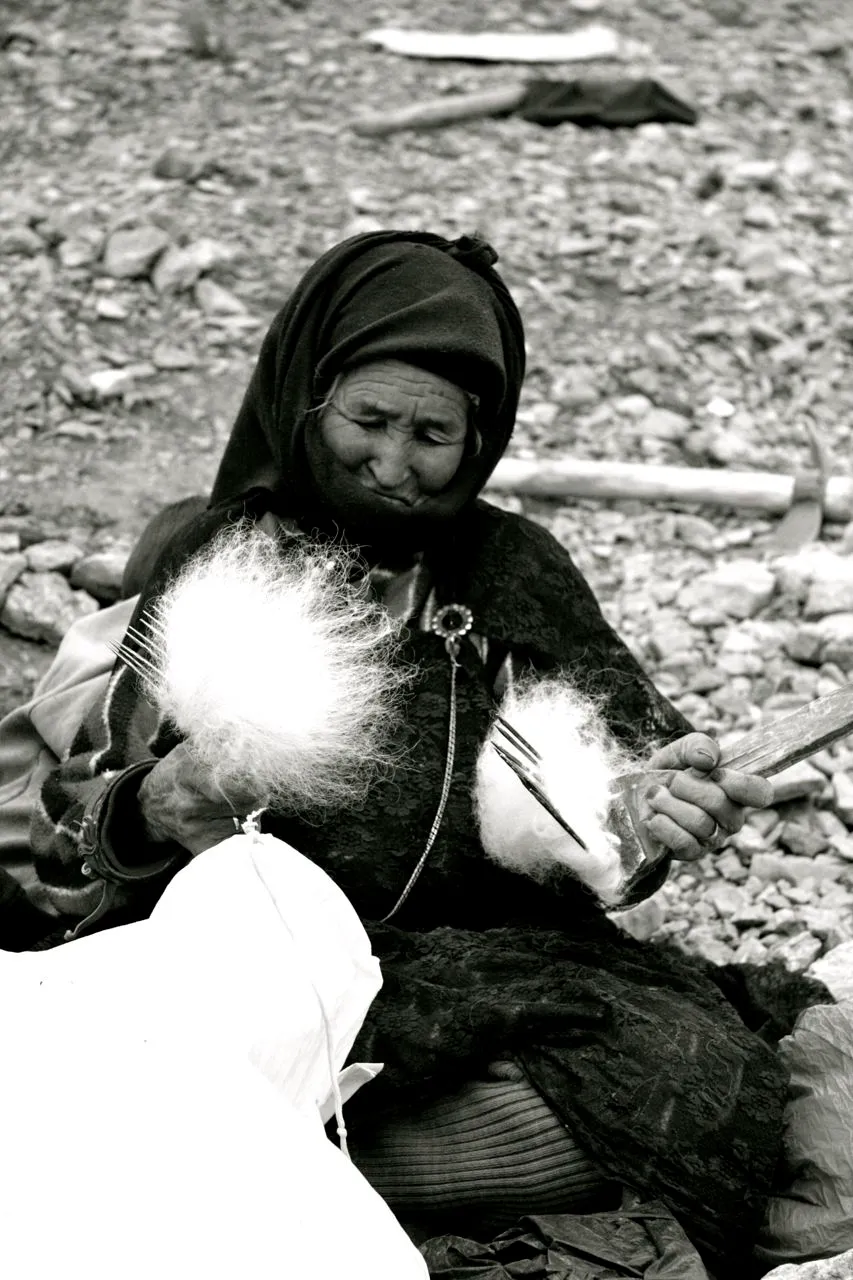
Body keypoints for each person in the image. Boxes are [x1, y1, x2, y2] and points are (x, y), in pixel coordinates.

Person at [19, 231, 815, 1271]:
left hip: (489, 963)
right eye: (368, 421)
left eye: (433, 433)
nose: (395, 466)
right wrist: (158, 801)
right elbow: (69, 841)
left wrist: (648, 817)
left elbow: (622, 786)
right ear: (308, 400)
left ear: (480, 439)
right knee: (172, 1056)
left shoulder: (514, 568)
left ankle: (254, 1172)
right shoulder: (219, 559)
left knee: (699, 1077)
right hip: (261, 968)